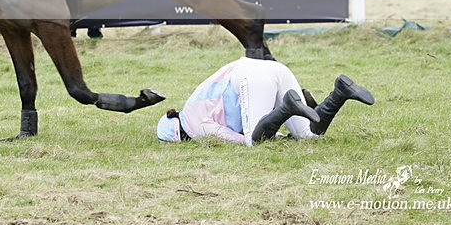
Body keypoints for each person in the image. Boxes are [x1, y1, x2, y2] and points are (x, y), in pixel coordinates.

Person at [156, 56, 374, 146]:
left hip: (251, 78)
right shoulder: (191, 103)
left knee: (254, 141)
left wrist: (272, 136)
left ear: (179, 136)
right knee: (307, 136)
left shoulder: (192, 126)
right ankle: (339, 93)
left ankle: (287, 108)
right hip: (273, 68)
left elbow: (231, 137)